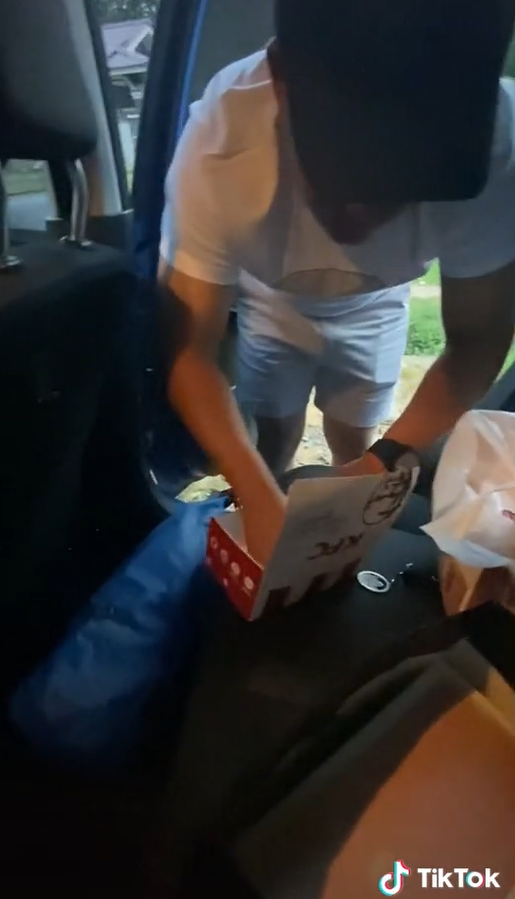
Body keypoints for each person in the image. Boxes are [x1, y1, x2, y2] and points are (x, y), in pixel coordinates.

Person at [157, 0, 515, 566]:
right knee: (270, 432)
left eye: (401, 197)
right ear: (282, 85)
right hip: (270, 299)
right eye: (341, 187)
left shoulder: (499, 146)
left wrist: (376, 467)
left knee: (357, 426)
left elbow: (478, 339)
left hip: (376, 305)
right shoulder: (219, 146)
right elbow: (188, 353)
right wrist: (256, 495)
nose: (362, 224)